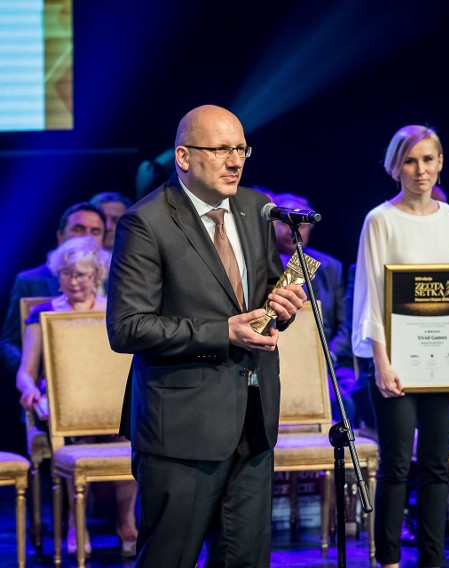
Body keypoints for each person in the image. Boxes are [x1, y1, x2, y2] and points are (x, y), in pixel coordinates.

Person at [106, 104, 307, 567]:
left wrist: (284, 309)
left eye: (241, 148)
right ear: (183, 156)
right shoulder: (146, 222)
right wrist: (223, 332)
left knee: (246, 560)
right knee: (169, 559)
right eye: (220, 149)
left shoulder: (257, 207)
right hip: (181, 429)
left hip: (253, 421)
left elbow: (266, 298)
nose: (235, 160)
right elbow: (126, 327)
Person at [351, 124, 449, 567]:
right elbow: (372, 293)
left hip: (442, 362)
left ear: (441, 162)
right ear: (395, 167)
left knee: (436, 467)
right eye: (410, 161)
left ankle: (433, 560)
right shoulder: (380, 219)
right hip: (396, 363)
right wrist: (382, 363)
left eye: (428, 159)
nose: (420, 169)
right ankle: (388, 560)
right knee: (395, 467)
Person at [15, 236, 138, 557]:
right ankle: (76, 520)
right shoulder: (44, 313)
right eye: (67, 274)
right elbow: (26, 370)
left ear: (97, 275)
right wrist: (28, 389)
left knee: (127, 432)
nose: (74, 281)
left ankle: (126, 521)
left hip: (109, 403)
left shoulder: (113, 310)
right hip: (65, 408)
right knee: (78, 431)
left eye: (82, 274)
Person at [260, 189, 356, 422]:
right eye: (285, 222)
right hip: (279, 356)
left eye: (303, 222)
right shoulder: (260, 262)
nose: (293, 228)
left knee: (346, 402)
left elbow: (344, 323)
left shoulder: (329, 266)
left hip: (326, 359)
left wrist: (329, 354)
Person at [0, 202, 106, 378]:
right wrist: (40, 375)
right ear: (60, 236)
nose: (86, 237)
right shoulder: (30, 281)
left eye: (95, 231)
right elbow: (9, 342)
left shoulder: (117, 282)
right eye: (78, 229)